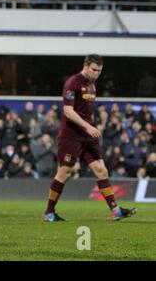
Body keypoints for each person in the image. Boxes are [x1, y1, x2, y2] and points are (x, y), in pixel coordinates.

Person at [43, 54, 137, 222]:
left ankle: (115, 210)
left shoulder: (92, 85)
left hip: (88, 136)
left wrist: (91, 127)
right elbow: (68, 111)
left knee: (101, 170)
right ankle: (49, 212)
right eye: (94, 70)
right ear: (85, 65)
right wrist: (88, 126)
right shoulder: (73, 83)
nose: (96, 74)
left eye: (99, 71)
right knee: (65, 172)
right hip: (71, 136)